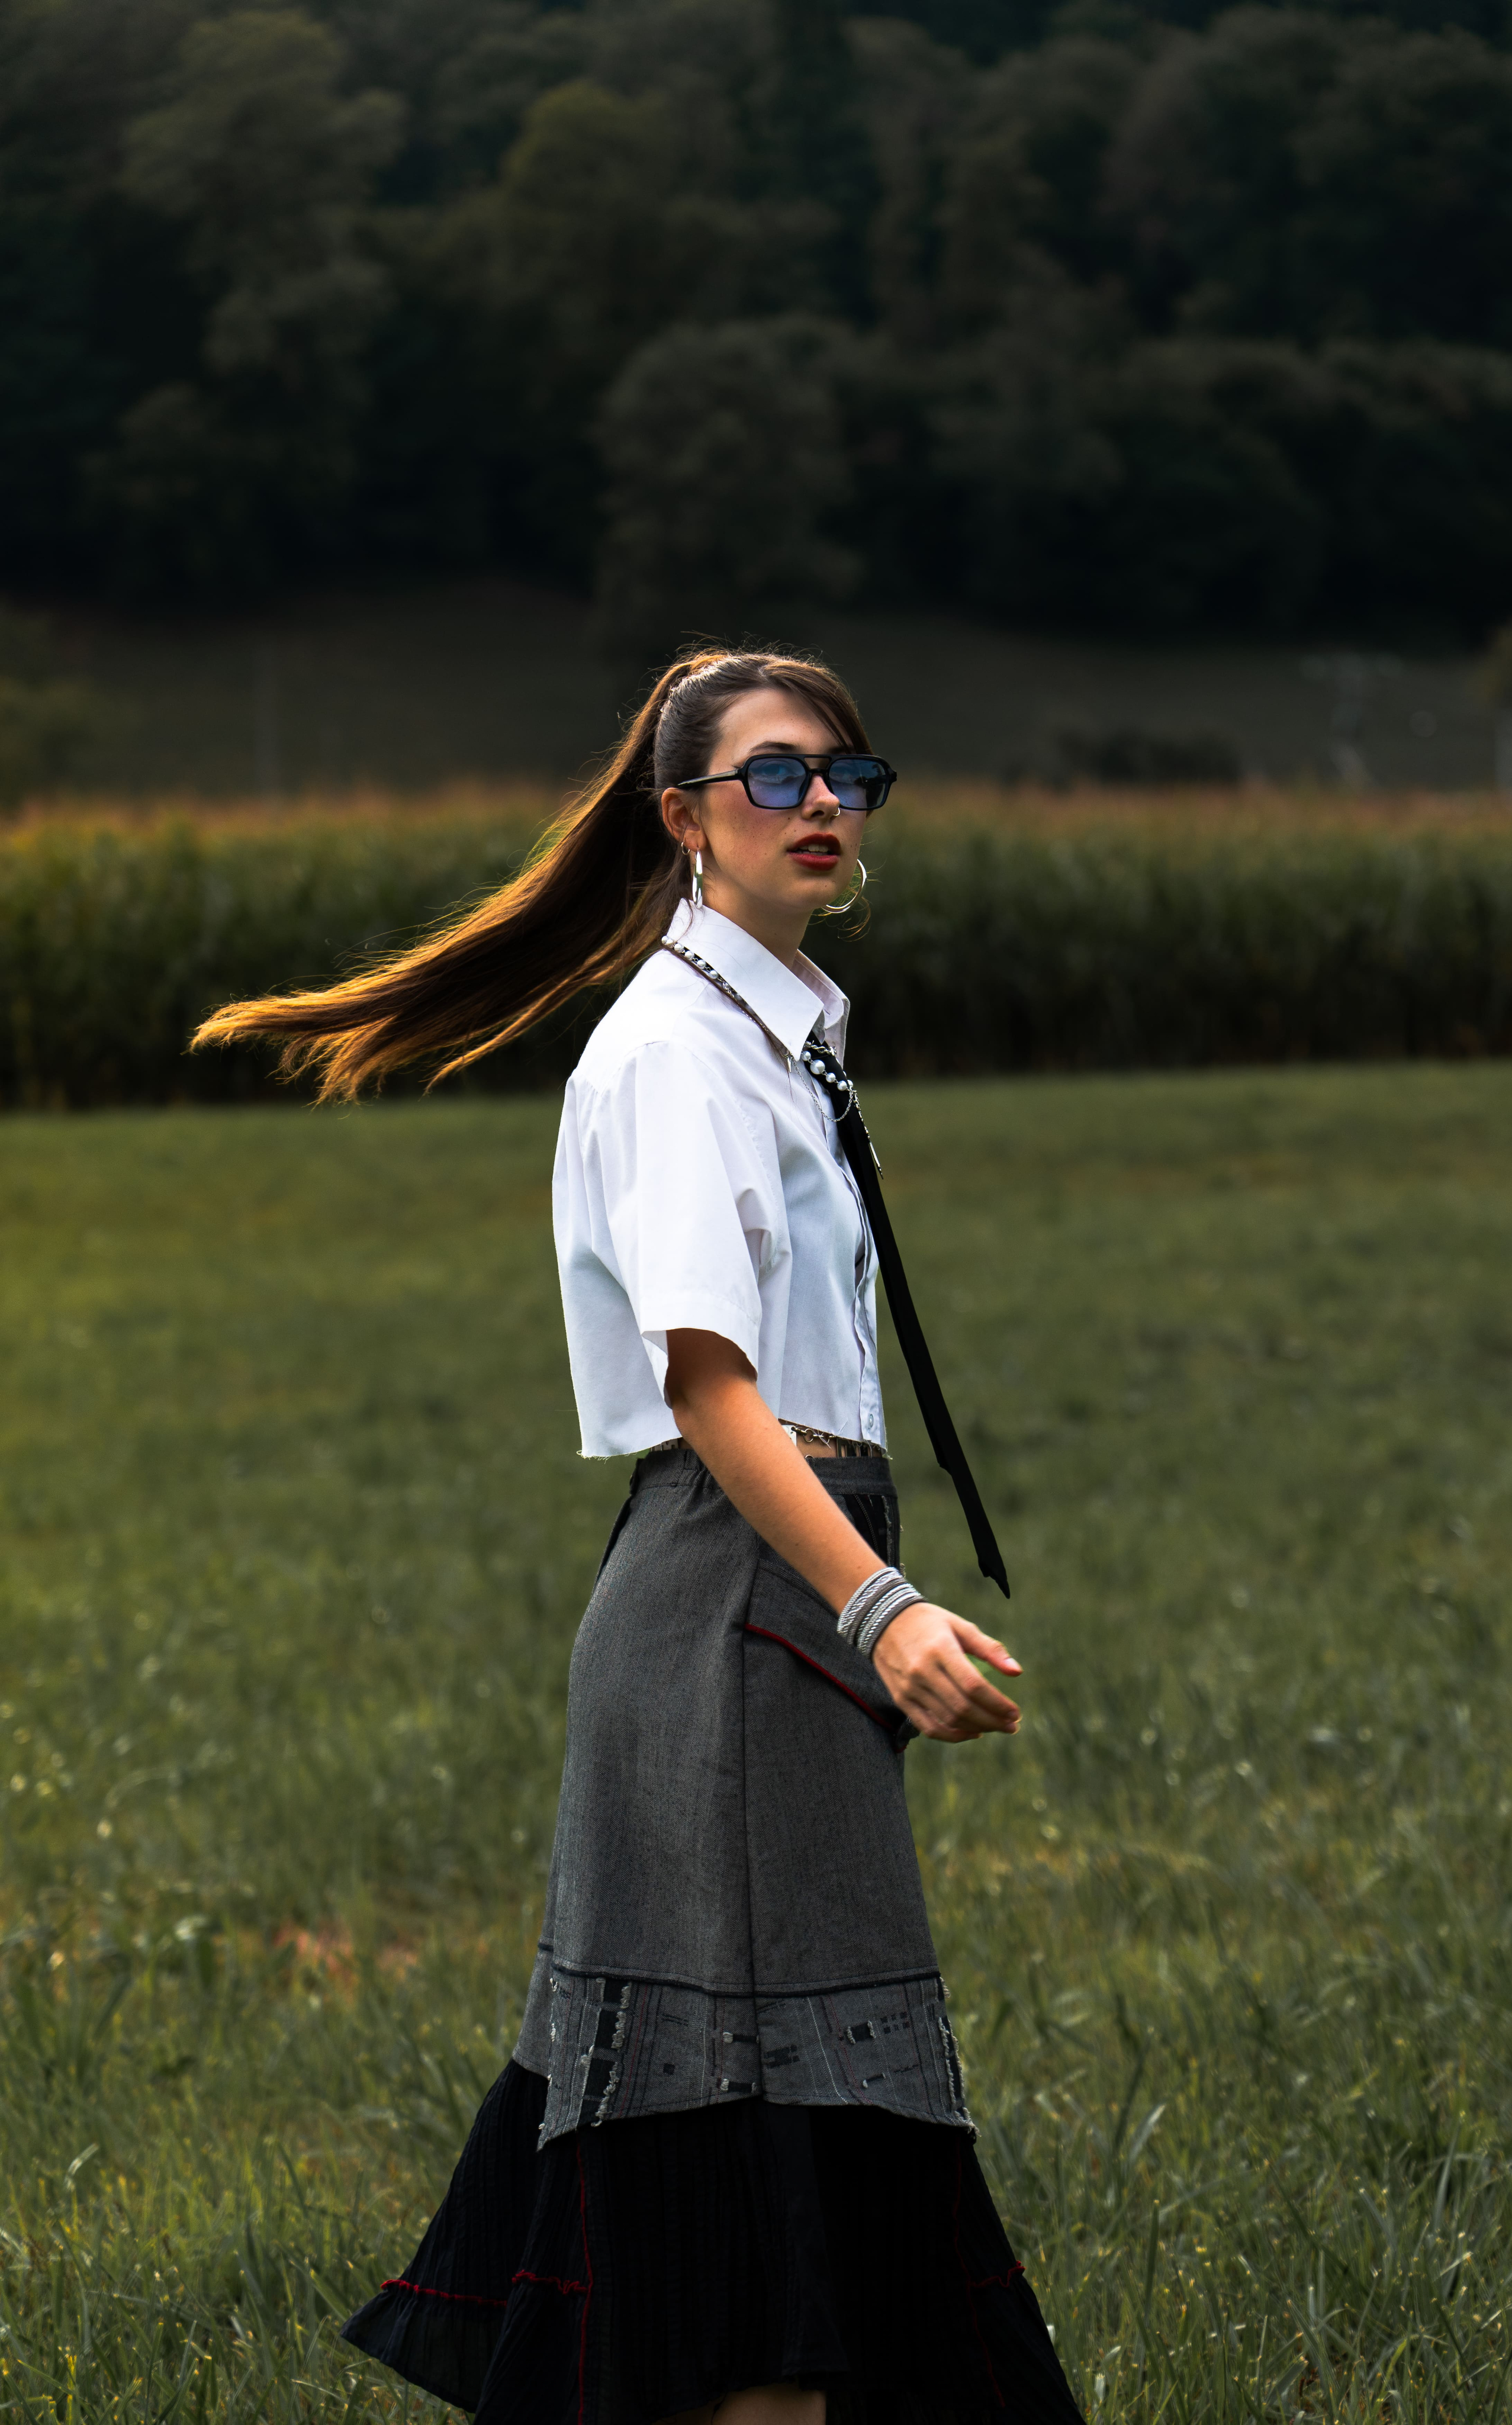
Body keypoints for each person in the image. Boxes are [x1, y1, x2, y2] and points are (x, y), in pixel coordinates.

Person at [193, 649, 1083, 2425]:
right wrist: (881, 1604)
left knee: (786, 2162)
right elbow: (708, 1388)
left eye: (843, 776)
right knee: (750, 2215)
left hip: (766, 1615)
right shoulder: (678, 1056)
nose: (820, 804)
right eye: (773, 777)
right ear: (682, 819)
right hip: (745, 1603)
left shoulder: (769, 1032)